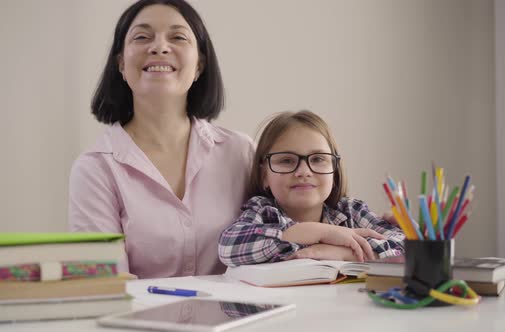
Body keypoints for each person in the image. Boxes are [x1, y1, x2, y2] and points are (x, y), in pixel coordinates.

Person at [69, 0, 253, 278]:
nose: (159, 47)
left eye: (178, 37)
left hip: (236, 320)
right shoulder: (95, 169)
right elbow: (105, 287)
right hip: (138, 321)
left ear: (200, 65)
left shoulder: (241, 153)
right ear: (121, 63)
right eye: (142, 37)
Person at [218, 111, 405, 267]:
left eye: (318, 159)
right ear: (264, 175)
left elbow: (406, 246)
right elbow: (229, 246)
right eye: (286, 160)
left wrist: (341, 253)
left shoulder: (350, 211)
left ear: (335, 170)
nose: (304, 172)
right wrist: (320, 232)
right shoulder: (263, 211)